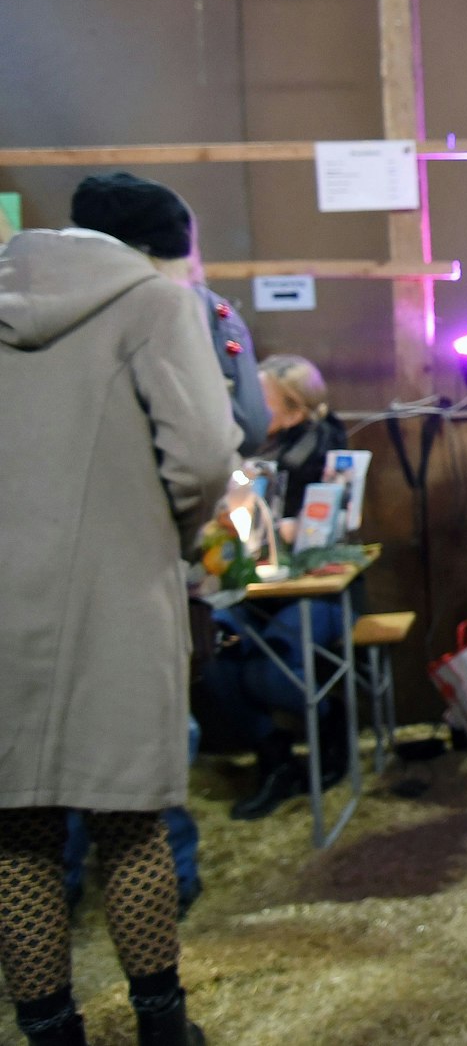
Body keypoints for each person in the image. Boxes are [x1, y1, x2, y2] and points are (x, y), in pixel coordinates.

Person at [1, 217, 237, 1044]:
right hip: (117, 590)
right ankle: (162, 1027)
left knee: (18, 826)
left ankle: (49, 1030)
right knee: (130, 818)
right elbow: (206, 455)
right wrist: (163, 528)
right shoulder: (153, 304)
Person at [60, 172, 260, 918]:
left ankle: (50, 987)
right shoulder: (175, 308)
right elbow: (225, 439)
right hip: (138, 567)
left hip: (27, 582)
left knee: (31, 800)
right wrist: (179, 536)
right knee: (142, 758)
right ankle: (158, 992)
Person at [203, 353, 355, 820]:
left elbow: (338, 523)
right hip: (253, 588)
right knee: (213, 653)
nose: (248, 410)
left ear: (293, 406)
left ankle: (330, 721)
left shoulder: (328, 447)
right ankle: (276, 760)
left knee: (272, 668)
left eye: (261, 400)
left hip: (318, 588)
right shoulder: (241, 453)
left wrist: (293, 529)